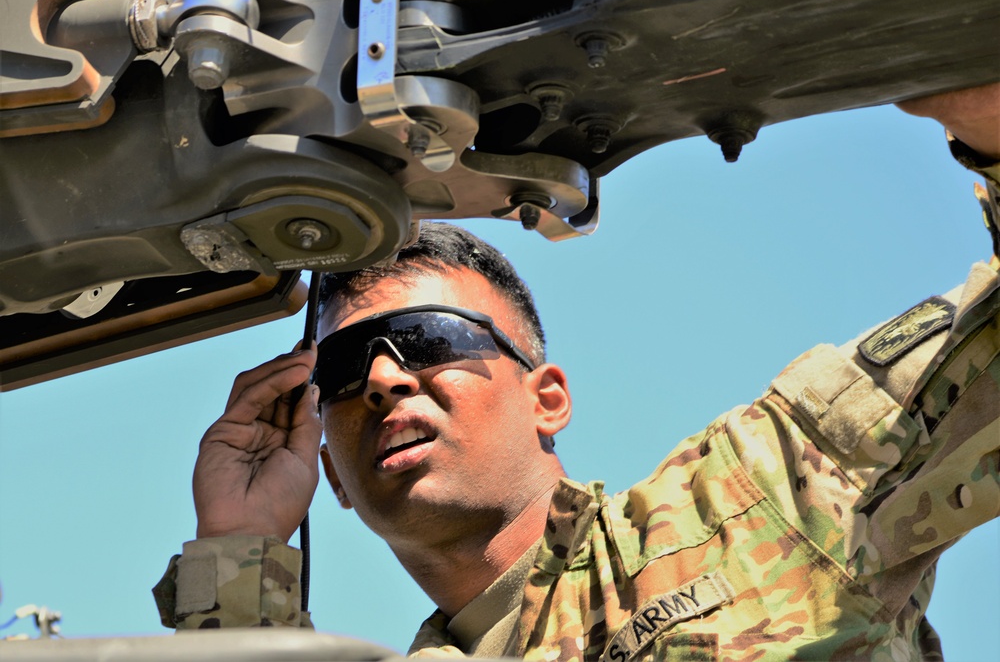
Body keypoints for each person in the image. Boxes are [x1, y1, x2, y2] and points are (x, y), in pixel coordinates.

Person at [153, 85, 1000, 660]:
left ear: (546, 396)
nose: (381, 376)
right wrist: (240, 545)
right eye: (342, 365)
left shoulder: (758, 495)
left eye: (430, 336)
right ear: (329, 473)